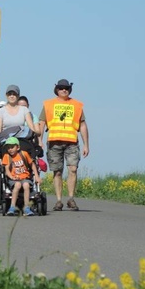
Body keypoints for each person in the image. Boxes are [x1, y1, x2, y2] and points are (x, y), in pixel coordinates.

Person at [39, 79, 89, 211]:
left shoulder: (77, 105)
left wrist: (86, 145)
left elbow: (82, 125)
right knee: (57, 172)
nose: (64, 90)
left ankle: (71, 199)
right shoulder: (48, 104)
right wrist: (39, 140)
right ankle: (59, 200)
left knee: (73, 169)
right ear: (56, 89)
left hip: (72, 142)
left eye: (66, 88)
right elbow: (42, 122)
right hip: (54, 141)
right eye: (61, 88)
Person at [2, 137, 40, 216]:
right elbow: (7, 170)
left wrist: (36, 176)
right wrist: (12, 177)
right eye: (8, 148)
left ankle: (26, 207)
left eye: (12, 147)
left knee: (26, 185)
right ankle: (12, 207)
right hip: (14, 179)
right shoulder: (7, 156)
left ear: (18, 147)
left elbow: (32, 165)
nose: (10, 149)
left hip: (25, 177)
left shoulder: (24, 154)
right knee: (17, 184)